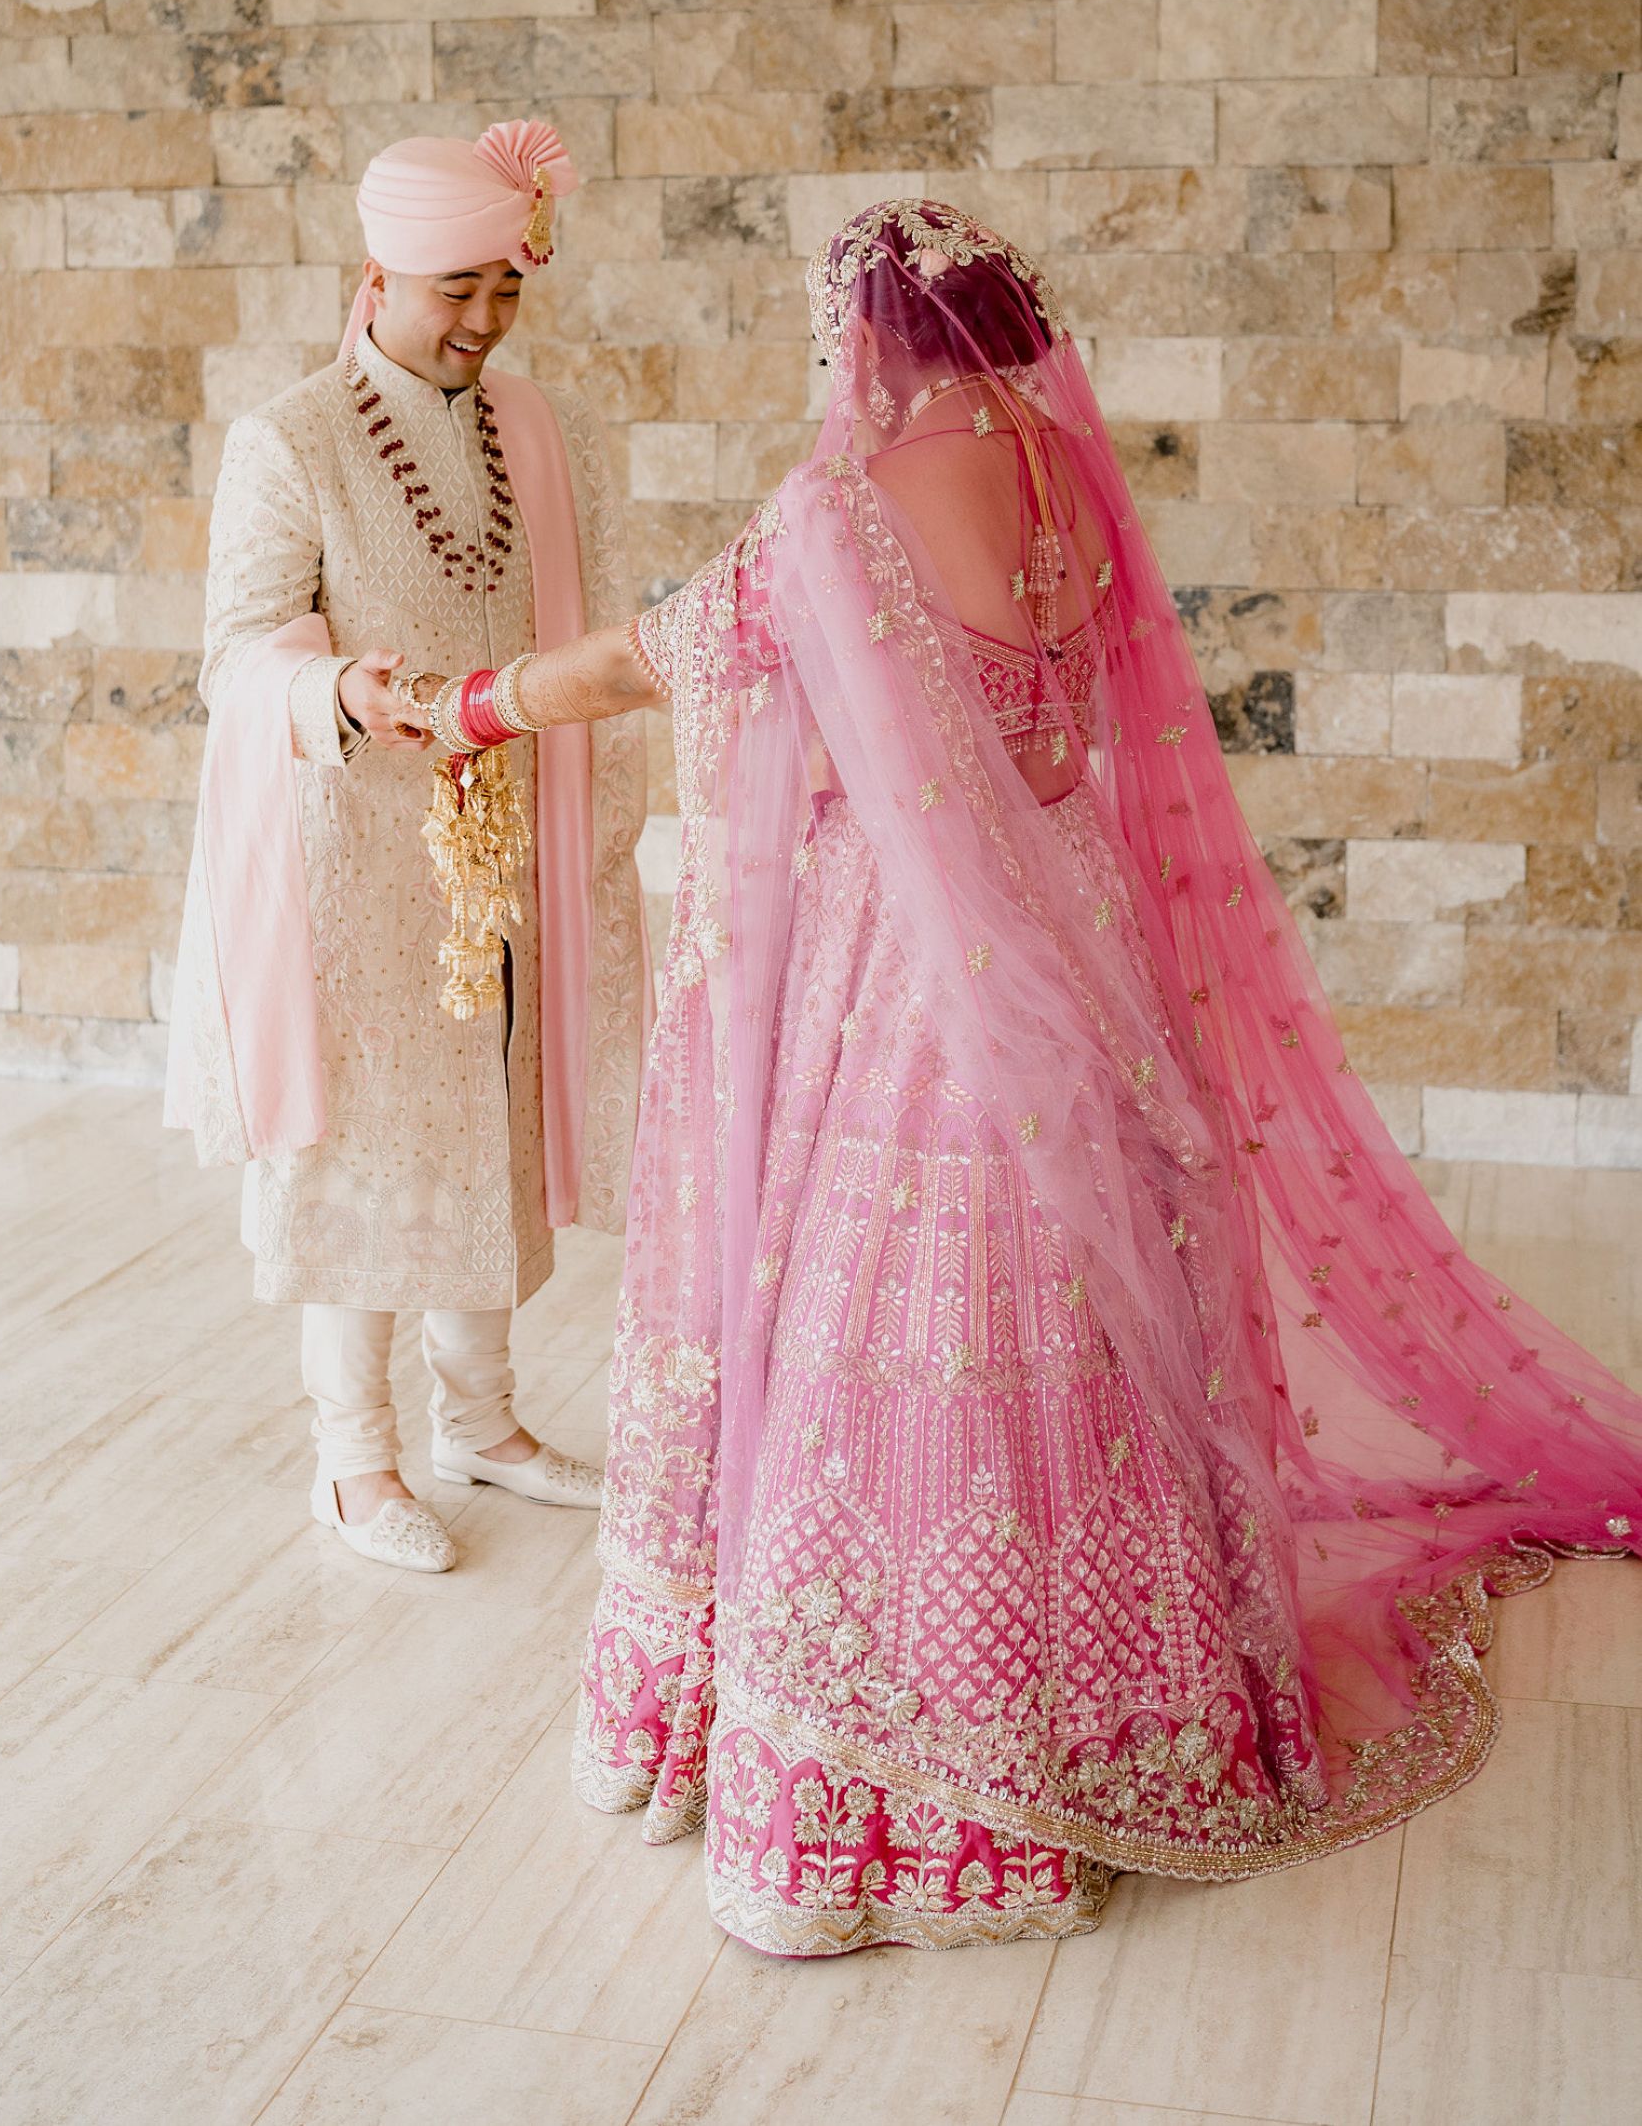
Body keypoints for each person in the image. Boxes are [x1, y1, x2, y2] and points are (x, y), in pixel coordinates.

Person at [431, 197, 1642, 1954]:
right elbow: (1055, 720)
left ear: (863, 341)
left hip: (913, 967)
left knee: (888, 1326)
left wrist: (466, 708)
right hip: (1072, 932)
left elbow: (658, 652)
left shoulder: (837, 511)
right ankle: (1121, 1708)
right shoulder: (1067, 473)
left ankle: (899, 1805)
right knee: (1068, 1286)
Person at [166, 121, 648, 1572]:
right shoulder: (292, 438)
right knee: (366, 1149)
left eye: (508, 289)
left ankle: (481, 1422)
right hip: (358, 854)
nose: (485, 322)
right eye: (458, 291)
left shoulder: (536, 429)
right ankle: (351, 1461)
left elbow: (580, 620)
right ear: (377, 275)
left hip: (509, 836)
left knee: (490, 1123)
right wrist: (342, 696)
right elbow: (233, 662)